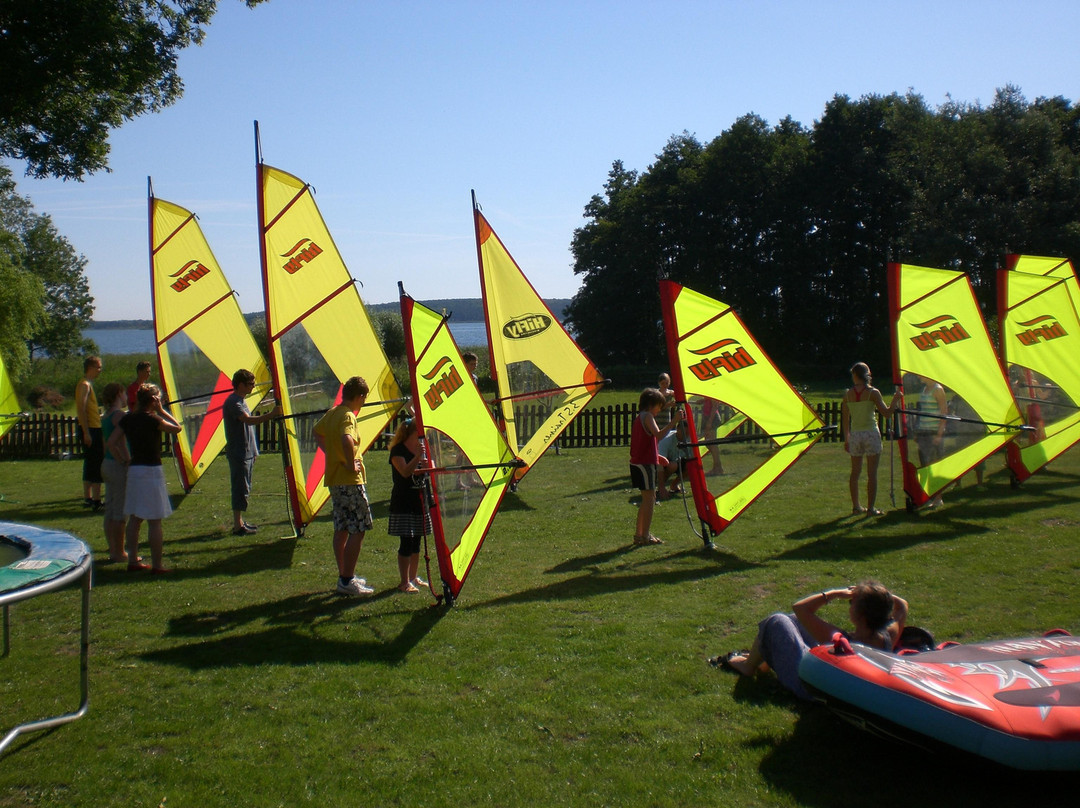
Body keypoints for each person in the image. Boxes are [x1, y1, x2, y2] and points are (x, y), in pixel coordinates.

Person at [712, 581, 909, 700]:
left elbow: (801, 607)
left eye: (852, 602)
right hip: (836, 677)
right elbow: (903, 607)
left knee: (778, 621)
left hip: (810, 686)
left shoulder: (843, 642)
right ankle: (761, 661)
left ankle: (748, 666)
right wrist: (875, 595)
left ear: (861, 616)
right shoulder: (886, 637)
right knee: (794, 621)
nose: (849, 604)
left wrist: (834, 594)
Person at [106, 383, 182, 574]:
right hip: (151, 471)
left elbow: (111, 442)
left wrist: (124, 460)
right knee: (155, 520)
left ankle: (133, 560)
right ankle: (157, 565)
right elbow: (177, 428)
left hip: (134, 470)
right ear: (154, 400)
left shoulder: (128, 419)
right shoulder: (153, 419)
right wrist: (162, 411)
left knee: (135, 518)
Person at [313, 376, 374, 597]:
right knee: (359, 529)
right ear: (359, 396)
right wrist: (349, 462)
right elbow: (348, 439)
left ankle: (344, 575)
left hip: (335, 481)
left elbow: (316, 432)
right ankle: (347, 580)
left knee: (341, 528)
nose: (363, 403)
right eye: (364, 398)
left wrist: (331, 453)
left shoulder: (333, 413)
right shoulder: (348, 415)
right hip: (349, 481)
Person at [222, 369, 281, 536]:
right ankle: (237, 525)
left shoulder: (241, 400)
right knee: (240, 488)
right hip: (238, 452)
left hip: (246, 452)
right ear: (240, 384)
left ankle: (239, 522)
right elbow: (247, 420)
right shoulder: (234, 402)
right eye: (250, 384)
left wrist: (254, 451)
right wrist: (271, 415)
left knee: (244, 487)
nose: (253, 386)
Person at [841, 362, 899, 516]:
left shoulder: (848, 394)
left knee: (855, 473)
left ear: (855, 375)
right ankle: (871, 508)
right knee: (871, 473)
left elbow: (845, 418)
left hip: (855, 435)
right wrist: (895, 399)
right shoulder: (873, 392)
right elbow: (887, 413)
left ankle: (856, 507)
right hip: (871, 434)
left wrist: (847, 438)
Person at [387, 419, 432, 593]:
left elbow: (429, 469)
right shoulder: (398, 450)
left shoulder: (422, 447)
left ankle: (414, 577)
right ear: (413, 431)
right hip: (403, 500)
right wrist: (418, 458)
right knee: (406, 541)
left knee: (417, 542)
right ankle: (404, 581)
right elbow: (405, 472)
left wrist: (427, 464)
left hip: (420, 500)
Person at [629, 387, 667, 545]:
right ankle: (645, 535)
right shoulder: (648, 416)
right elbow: (659, 435)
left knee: (647, 499)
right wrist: (675, 421)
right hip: (644, 465)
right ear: (652, 404)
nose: (660, 410)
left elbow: (644, 444)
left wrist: (657, 457)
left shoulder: (640, 418)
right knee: (650, 500)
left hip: (640, 462)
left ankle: (639, 535)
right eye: (659, 406)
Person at [99, 382, 130, 562]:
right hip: (117, 466)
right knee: (120, 512)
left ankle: (113, 549)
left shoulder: (105, 415)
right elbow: (117, 442)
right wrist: (124, 460)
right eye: (124, 393)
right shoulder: (119, 415)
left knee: (110, 510)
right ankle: (119, 552)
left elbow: (106, 444)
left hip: (106, 464)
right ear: (119, 394)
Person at [915, 375, 948, 508]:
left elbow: (943, 411)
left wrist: (939, 434)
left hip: (933, 432)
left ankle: (938, 498)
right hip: (923, 432)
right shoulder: (924, 389)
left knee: (934, 466)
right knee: (924, 465)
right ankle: (928, 496)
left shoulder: (937, 389)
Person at [76, 355, 104, 509]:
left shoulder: (87, 384)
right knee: (95, 462)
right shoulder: (84, 385)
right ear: (91, 368)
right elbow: (81, 408)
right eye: (98, 367)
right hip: (91, 429)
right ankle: (96, 499)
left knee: (89, 462)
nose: (100, 370)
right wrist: (86, 432)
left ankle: (88, 497)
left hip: (93, 426)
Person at [656, 411, 688, 501]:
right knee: (673, 465)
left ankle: (674, 485)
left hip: (678, 461)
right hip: (664, 463)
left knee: (692, 465)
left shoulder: (690, 440)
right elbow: (659, 464)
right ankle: (660, 487)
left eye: (688, 433)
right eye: (685, 433)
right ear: (678, 430)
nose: (686, 437)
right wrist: (661, 487)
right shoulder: (666, 440)